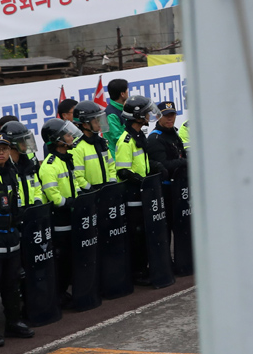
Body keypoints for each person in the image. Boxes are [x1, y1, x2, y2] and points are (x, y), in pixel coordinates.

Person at [0, 133, 33, 347]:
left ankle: (13, 323)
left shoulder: (11, 171)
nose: (2, 153)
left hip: (11, 238)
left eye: (5, 148)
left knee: (12, 284)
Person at [39, 118, 84, 304]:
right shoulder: (50, 165)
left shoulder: (66, 159)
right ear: (58, 140)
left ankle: (64, 291)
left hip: (72, 214)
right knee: (62, 259)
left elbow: (74, 185)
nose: (71, 136)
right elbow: (55, 198)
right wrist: (74, 202)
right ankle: (58, 294)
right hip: (60, 219)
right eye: (67, 134)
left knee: (71, 257)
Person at [115, 96, 161, 281]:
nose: (150, 115)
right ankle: (137, 271)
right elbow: (123, 171)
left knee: (144, 234)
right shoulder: (125, 141)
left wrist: (154, 167)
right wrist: (140, 180)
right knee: (137, 235)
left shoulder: (139, 136)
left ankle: (144, 266)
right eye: (146, 112)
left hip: (144, 192)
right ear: (138, 116)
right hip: (133, 195)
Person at [71, 100, 117, 190]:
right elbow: (77, 176)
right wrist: (91, 190)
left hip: (107, 190)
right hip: (90, 194)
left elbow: (111, 166)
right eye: (96, 121)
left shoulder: (101, 142)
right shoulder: (76, 147)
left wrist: (112, 183)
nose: (100, 124)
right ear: (85, 125)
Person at [0, 121, 43, 208]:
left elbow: (37, 188)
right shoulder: (3, 167)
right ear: (12, 144)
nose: (26, 144)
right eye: (22, 140)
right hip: (13, 217)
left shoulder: (28, 164)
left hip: (31, 213)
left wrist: (37, 202)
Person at [145, 101, 188, 180]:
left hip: (179, 181)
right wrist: (185, 162)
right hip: (165, 186)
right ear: (158, 117)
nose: (170, 118)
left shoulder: (173, 133)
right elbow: (163, 164)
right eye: (166, 115)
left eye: (172, 115)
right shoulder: (154, 138)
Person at [104, 77, 129, 155]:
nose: (128, 92)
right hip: (117, 157)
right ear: (122, 94)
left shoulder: (124, 108)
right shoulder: (111, 115)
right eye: (127, 90)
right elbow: (117, 138)